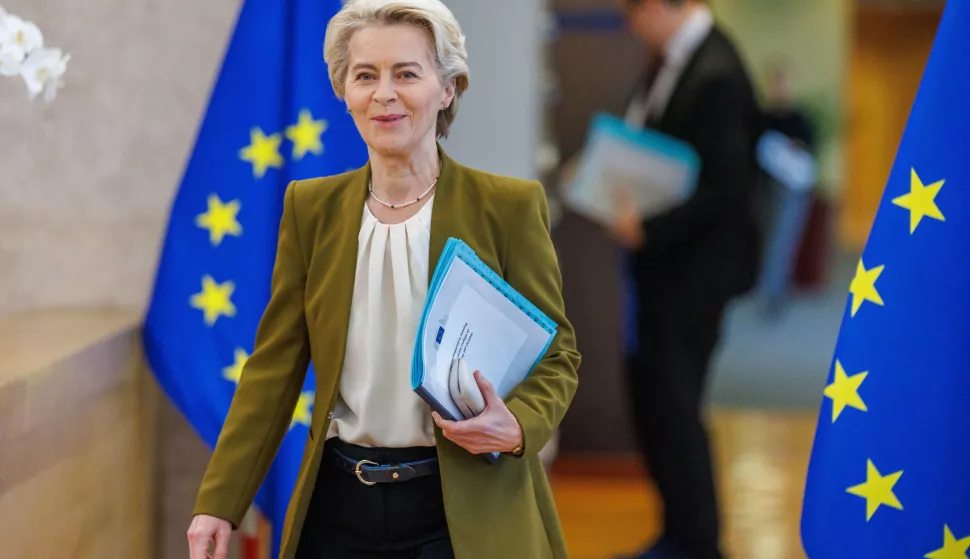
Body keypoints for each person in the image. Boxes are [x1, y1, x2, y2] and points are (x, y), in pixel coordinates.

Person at [185, 1, 582, 558]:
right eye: (365, 76)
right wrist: (219, 501)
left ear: (447, 89)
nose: (384, 93)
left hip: (463, 504)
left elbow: (558, 354)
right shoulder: (310, 208)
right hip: (340, 504)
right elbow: (273, 369)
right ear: (344, 92)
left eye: (407, 73)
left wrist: (517, 425)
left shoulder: (508, 207)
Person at [610, 1, 761, 558]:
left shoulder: (715, 69)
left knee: (676, 403)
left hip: (695, 269)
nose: (628, 21)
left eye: (632, 8)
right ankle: (678, 531)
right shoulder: (672, 59)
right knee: (656, 398)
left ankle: (697, 543)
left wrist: (648, 228)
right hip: (665, 266)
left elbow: (726, 190)